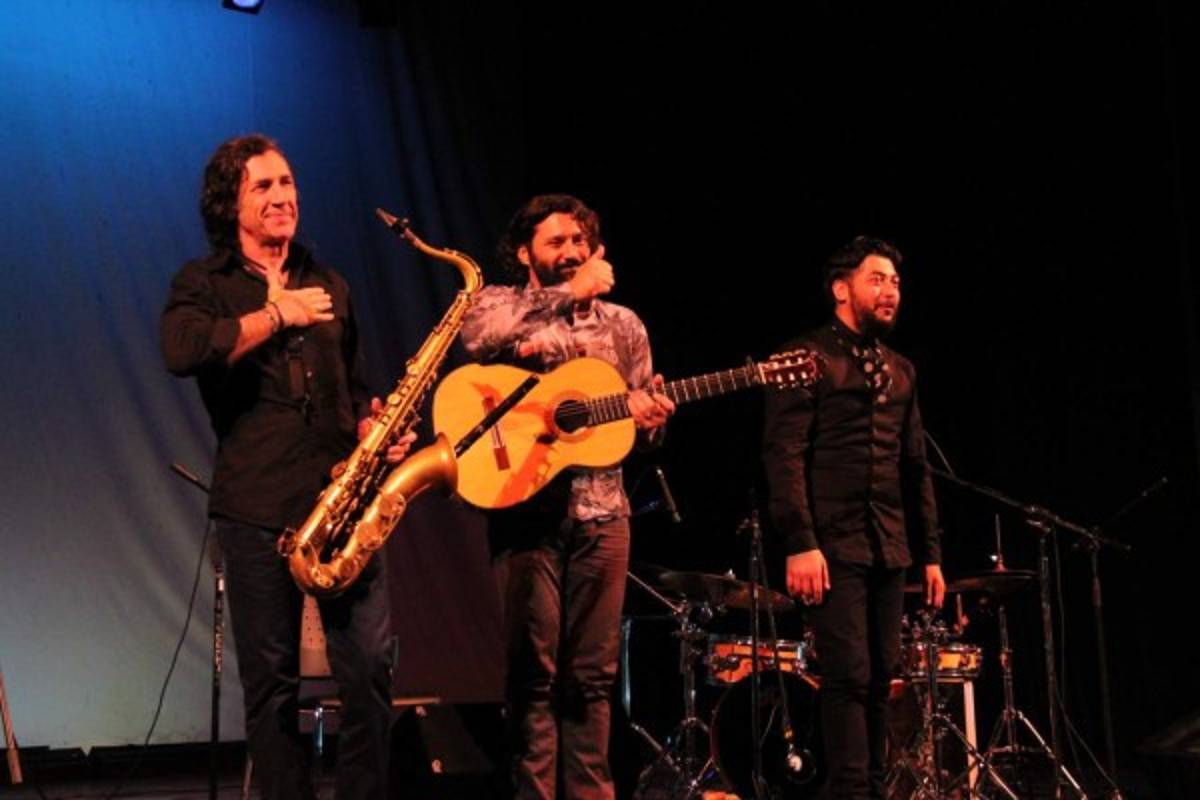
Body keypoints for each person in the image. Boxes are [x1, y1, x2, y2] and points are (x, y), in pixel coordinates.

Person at [160, 134, 414, 800]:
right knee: (271, 685)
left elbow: (354, 387)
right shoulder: (205, 283)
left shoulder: (328, 280)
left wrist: (372, 429)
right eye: (263, 186)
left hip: (342, 505)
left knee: (370, 670)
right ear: (229, 204)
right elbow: (183, 350)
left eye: (288, 182)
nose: (283, 196)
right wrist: (276, 313)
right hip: (256, 508)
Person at [459, 194, 674, 799]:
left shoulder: (624, 326)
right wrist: (570, 293)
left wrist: (653, 419)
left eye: (580, 241)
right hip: (524, 509)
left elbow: (637, 430)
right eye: (557, 242)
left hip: (605, 516)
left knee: (593, 679)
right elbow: (476, 339)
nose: (572, 252)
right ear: (525, 251)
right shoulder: (499, 304)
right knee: (532, 677)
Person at [762, 236, 946, 799]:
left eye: (895, 282)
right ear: (842, 289)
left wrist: (932, 556)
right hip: (830, 547)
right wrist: (800, 541)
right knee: (846, 676)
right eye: (877, 279)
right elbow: (783, 454)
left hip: (889, 547)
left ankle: (871, 787)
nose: (890, 291)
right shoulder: (805, 358)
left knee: (879, 680)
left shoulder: (902, 369)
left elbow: (915, 467)